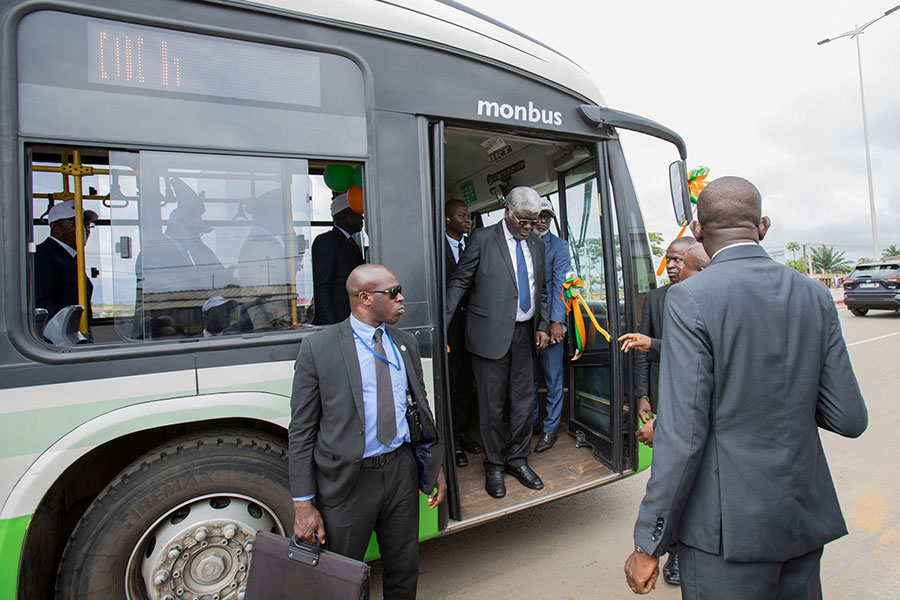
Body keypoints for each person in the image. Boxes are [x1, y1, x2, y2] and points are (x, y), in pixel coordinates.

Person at [624, 177, 867, 598]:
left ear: (697, 230)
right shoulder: (814, 294)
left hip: (726, 532)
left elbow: (683, 435)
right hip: (803, 518)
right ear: (763, 226)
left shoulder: (690, 299)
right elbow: (849, 418)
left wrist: (649, 541)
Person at [290, 264, 446, 600]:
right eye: (393, 292)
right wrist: (303, 505)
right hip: (350, 482)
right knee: (341, 580)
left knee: (404, 570)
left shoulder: (405, 343)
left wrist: (434, 466)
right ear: (364, 298)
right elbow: (301, 432)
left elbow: (419, 410)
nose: (401, 298)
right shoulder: (319, 348)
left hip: (401, 472)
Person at [445, 186, 550, 499]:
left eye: (533, 221)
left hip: (525, 334)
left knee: (524, 402)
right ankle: (494, 464)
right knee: (491, 405)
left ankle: (517, 459)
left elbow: (541, 289)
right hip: (488, 334)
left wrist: (543, 325)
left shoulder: (536, 243)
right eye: (523, 221)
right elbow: (460, 282)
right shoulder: (482, 239)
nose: (528, 227)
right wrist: (441, 326)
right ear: (507, 211)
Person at [617, 238, 708, 586]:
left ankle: (688, 550)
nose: (671, 266)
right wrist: (643, 396)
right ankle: (671, 547)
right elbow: (643, 350)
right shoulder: (656, 299)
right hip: (662, 397)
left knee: (693, 480)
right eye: (668, 259)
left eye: (678, 260)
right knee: (668, 476)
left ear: (697, 263)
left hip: (692, 402)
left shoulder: (707, 299)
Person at [444, 199, 482, 467]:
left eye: (469, 215)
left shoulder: (473, 245)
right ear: (447, 219)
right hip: (449, 327)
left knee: (468, 382)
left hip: (473, 325)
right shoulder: (435, 248)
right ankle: (452, 440)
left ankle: (463, 431)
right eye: (461, 215)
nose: (467, 219)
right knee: (451, 383)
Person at [531, 198, 570, 453]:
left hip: (551, 324)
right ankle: (533, 423)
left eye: (547, 216)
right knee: (528, 379)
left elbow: (559, 287)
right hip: (525, 324)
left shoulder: (559, 247)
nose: (543, 220)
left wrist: (557, 322)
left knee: (553, 378)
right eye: (539, 216)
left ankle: (550, 429)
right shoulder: (522, 242)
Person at [34, 200, 99, 326]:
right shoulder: (44, 257)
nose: (85, 229)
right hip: (61, 335)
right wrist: (64, 332)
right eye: (76, 223)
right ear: (55, 227)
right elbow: (43, 306)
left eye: (87, 224)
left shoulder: (70, 257)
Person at [311, 192, 364, 325]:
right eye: (358, 214)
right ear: (345, 215)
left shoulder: (352, 243)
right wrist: (331, 324)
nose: (362, 218)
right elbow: (322, 286)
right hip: (339, 318)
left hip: (353, 317)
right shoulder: (327, 241)